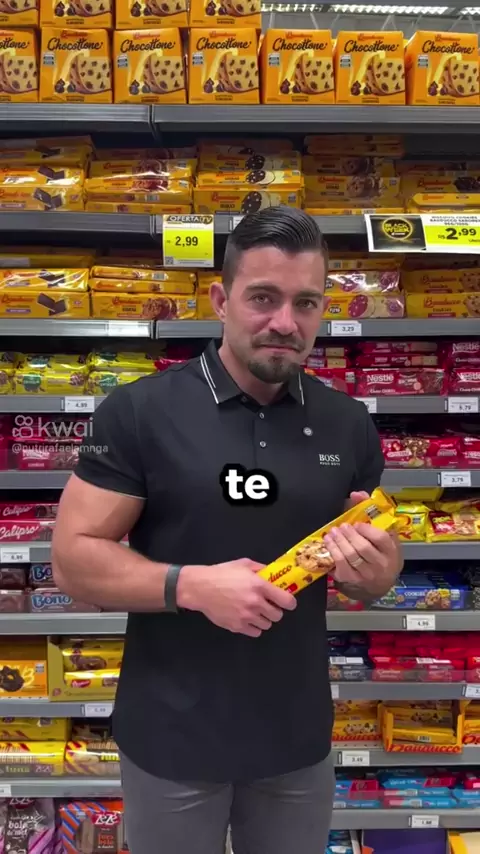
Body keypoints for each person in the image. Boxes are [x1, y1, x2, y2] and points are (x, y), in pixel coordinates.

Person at [52, 206, 403, 854]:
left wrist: (376, 573)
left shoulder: (349, 423)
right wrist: (190, 586)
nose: (285, 322)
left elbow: (369, 579)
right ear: (220, 300)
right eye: (263, 298)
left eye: (305, 303)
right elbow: (73, 559)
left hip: (296, 737)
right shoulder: (139, 411)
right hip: (171, 735)